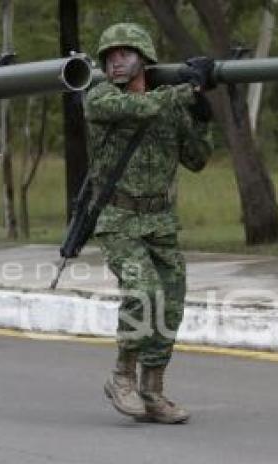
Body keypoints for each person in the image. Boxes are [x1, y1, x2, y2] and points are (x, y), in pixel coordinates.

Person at [84, 23, 213, 424]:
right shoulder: (101, 96)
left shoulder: (168, 105)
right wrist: (185, 91)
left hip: (159, 220)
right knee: (144, 291)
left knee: (170, 302)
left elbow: (197, 159)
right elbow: (131, 108)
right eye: (109, 55)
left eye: (124, 53)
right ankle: (121, 376)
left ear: (145, 58)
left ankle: (152, 390)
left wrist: (200, 113)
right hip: (118, 217)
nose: (115, 60)